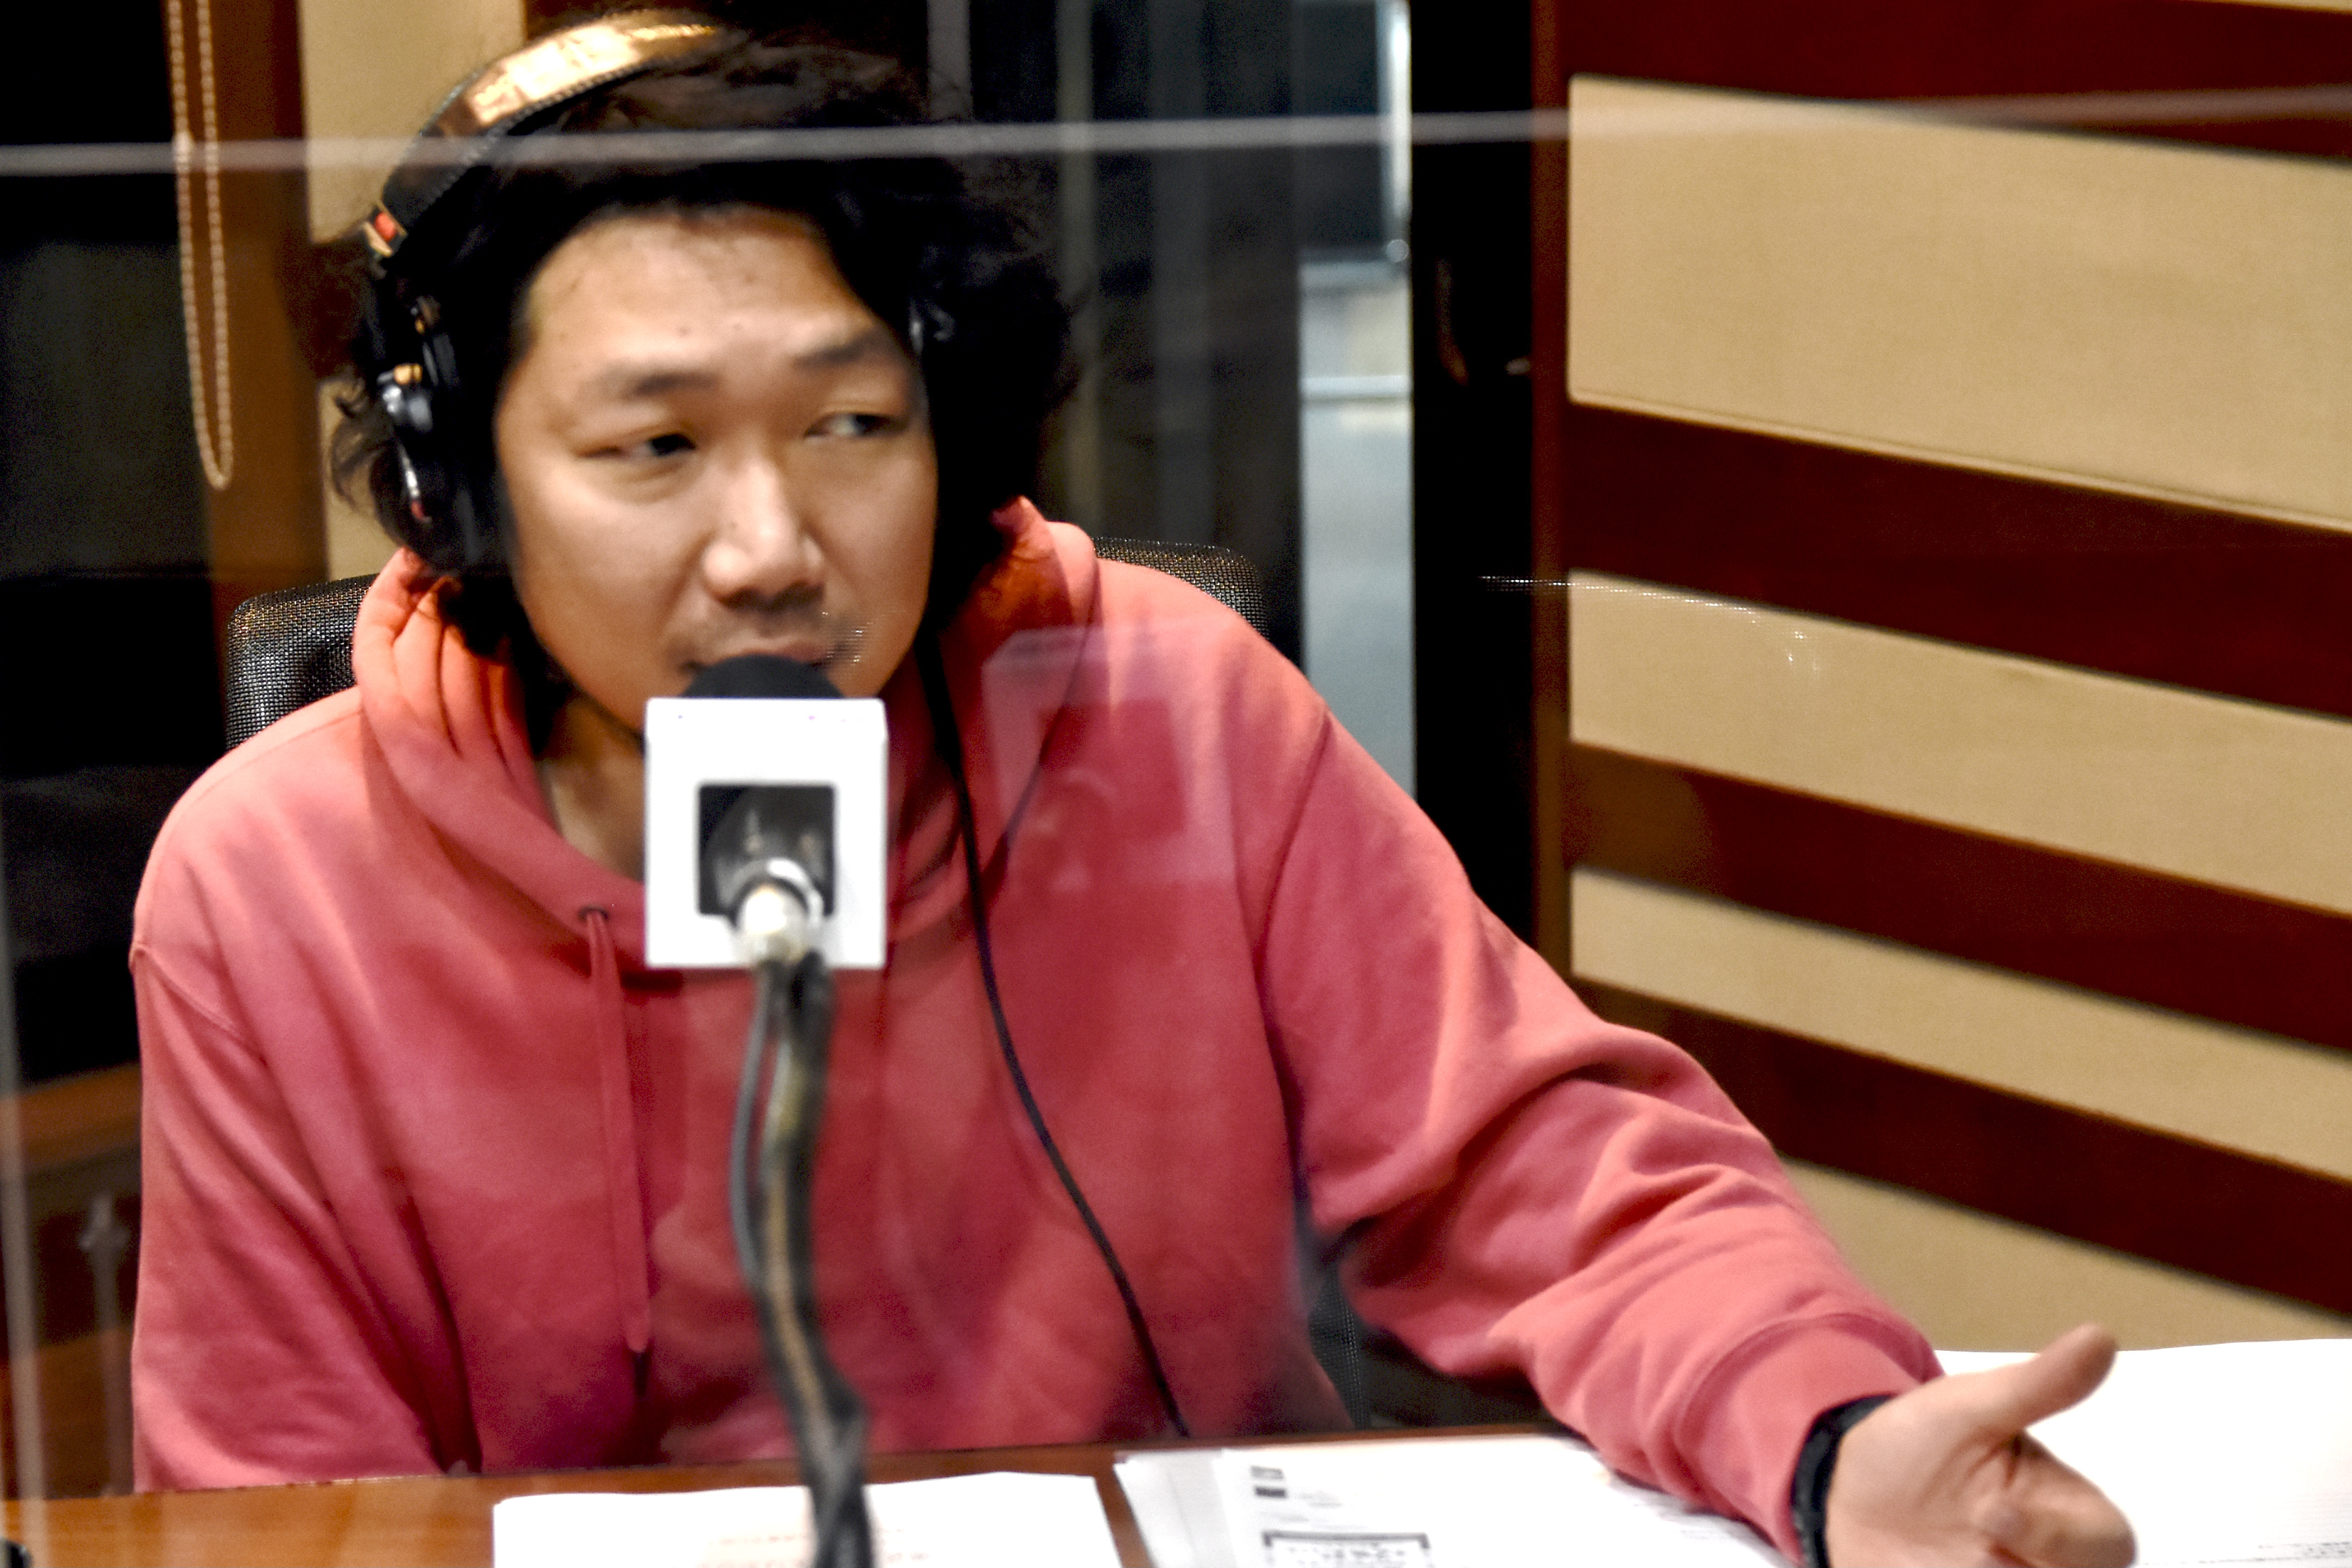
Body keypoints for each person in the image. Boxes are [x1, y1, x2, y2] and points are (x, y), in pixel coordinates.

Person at [129, 14, 2132, 1564]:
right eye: (653, 449)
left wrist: (1830, 1435)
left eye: (853, 424)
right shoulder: (277, 877)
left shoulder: (1165, 711)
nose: (771, 549)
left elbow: (1547, 1175)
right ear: (455, 485)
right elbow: (282, 1508)